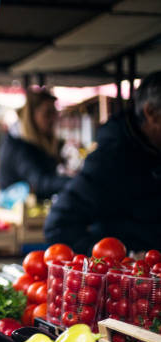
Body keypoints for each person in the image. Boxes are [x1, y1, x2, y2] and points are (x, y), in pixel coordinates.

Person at [44, 71, 161, 253]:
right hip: (133, 276)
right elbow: (58, 225)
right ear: (151, 113)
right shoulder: (113, 159)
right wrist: (115, 260)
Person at [0, 89, 71, 200]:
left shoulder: (34, 141)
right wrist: (76, 180)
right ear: (32, 115)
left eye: (55, 113)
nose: (53, 119)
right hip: (19, 212)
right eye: (47, 113)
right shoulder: (19, 145)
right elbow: (40, 183)